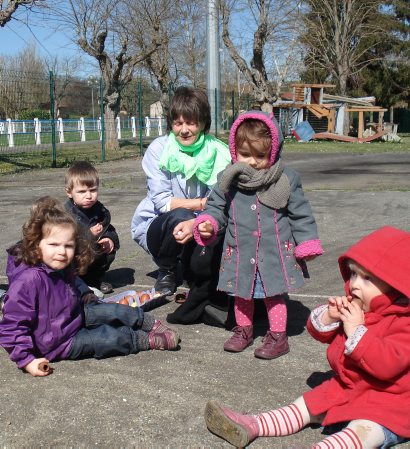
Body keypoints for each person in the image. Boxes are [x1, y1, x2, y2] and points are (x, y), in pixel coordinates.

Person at [204, 226, 410, 448]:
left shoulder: (404, 322)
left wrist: (357, 331)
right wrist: (330, 317)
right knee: (305, 405)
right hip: (347, 387)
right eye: (353, 274)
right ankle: (255, 424)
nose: (355, 284)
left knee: (363, 431)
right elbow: (317, 331)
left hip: (388, 402)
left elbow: (387, 365)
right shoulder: (358, 308)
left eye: (367, 278)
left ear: (396, 284)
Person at [193, 111, 323, 359]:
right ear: (234, 150)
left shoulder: (285, 179)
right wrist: (208, 223)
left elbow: (301, 213)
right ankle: (243, 329)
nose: (251, 162)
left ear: (273, 152)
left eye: (260, 156)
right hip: (240, 251)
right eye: (244, 154)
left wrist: (307, 242)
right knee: (242, 294)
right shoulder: (228, 179)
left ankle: (277, 336)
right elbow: (215, 207)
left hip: (273, 251)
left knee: (274, 294)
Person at [0, 199, 180, 377]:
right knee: (107, 338)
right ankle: (144, 339)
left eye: (68, 245)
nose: (62, 251)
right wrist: (27, 360)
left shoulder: (61, 265)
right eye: (53, 244)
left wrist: (85, 292)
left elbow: (74, 280)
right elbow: (12, 327)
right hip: (59, 342)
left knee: (113, 310)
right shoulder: (28, 280)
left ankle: (149, 323)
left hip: (73, 315)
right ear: (36, 245)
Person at [131, 86, 231, 298]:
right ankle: (166, 270)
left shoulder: (219, 153)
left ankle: (192, 266)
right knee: (181, 215)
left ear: (204, 123)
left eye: (191, 122)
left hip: (200, 223)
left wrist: (202, 218)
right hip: (158, 225)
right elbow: (163, 202)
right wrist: (202, 205)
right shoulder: (160, 149)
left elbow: (221, 202)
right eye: (178, 123)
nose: (184, 130)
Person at [65, 160, 119, 294]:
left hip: (92, 257)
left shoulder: (100, 211)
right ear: (69, 192)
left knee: (106, 250)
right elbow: (64, 241)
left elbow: (110, 229)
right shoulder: (66, 214)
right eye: (82, 191)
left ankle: (95, 280)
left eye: (93, 190)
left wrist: (109, 238)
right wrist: (88, 235)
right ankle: (75, 282)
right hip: (73, 261)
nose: (88, 196)